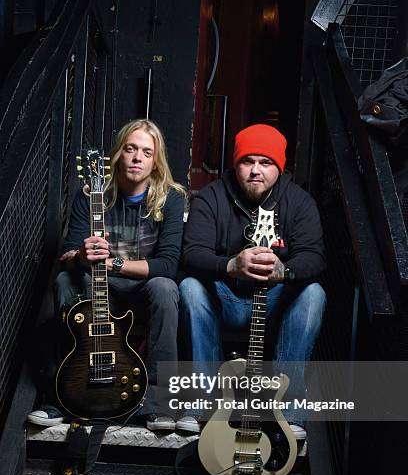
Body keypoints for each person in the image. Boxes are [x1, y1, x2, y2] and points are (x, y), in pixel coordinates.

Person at [28, 118, 186, 432]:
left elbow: (167, 264)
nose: (138, 157)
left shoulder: (170, 198)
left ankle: (159, 404)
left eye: (146, 152)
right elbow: (68, 256)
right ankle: (58, 397)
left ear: (156, 161)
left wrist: (112, 263)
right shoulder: (91, 195)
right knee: (65, 281)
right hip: (100, 289)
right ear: (118, 154)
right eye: (131, 149)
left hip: (143, 289)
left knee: (166, 288)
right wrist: (81, 256)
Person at [179, 124, 326, 439]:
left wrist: (283, 270)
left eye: (266, 163)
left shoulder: (298, 202)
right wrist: (231, 264)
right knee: (190, 287)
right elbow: (192, 254)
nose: (256, 170)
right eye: (248, 161)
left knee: (313, 293)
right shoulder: (211, 197)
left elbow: (314, 257)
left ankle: (289, 411)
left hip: (273, 306)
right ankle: (204, 402)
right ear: (236, 164)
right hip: (225, 300)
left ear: (279, 167)